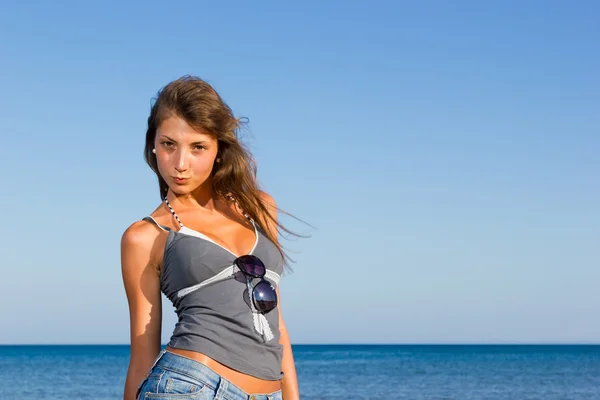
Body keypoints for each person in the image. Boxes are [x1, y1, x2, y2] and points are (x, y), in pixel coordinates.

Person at [120, 76, 300, 400]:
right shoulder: (146, 236)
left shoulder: (259, 207)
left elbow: (277, 323)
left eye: (197, 147)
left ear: (218, 149)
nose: (180, 164)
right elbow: (142, 356)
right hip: (190, 388)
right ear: (153, 145)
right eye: (168, 144)